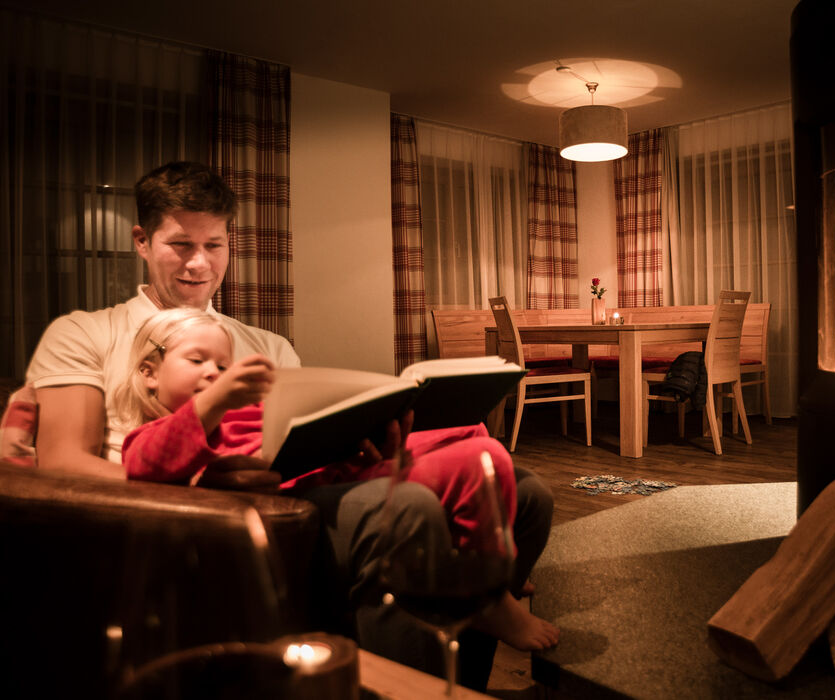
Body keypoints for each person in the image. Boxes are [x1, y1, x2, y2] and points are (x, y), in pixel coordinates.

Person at [23, 161, 557, 685]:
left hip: (293, 488)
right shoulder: (86, 332)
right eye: (181, 245)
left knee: (523, 488)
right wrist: (199, 486)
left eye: (215, 246)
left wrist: (366, 438)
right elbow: (62, 461)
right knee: (404, 509)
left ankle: (461, 678)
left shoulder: (266, 344)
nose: (199, 264)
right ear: (142, 241)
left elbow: (304, 439)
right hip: (189, 510)